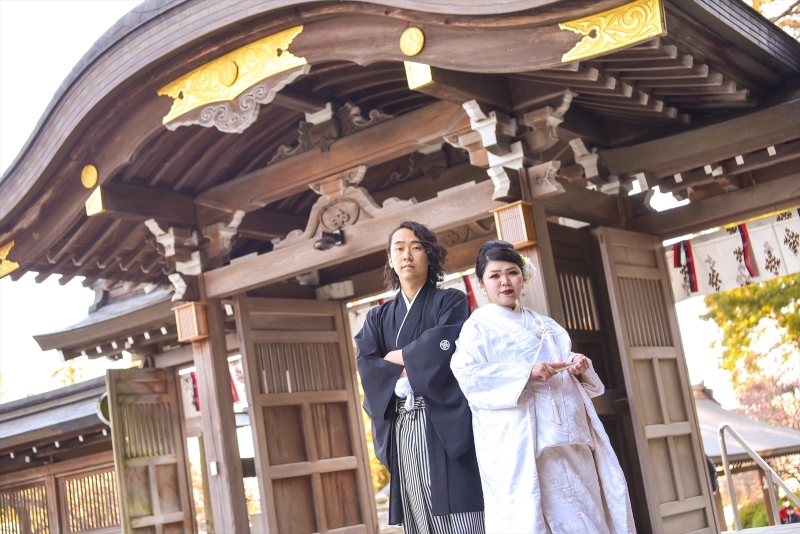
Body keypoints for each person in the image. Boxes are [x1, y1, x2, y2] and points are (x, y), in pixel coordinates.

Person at [450, 239, 635, 534]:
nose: (504, 282)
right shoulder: (477, 327)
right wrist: (526, 373)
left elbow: (562, 358)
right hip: (528, 441)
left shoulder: (544, 324)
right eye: (494, 275)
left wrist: (576, 364)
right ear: (482, 284)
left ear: (522, 277)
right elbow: (468, 375)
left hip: (569, 434)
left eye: (512, 272)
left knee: (588, 512)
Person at [355, 221, 485, 533]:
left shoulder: (451, 301)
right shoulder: (378, 317)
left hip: (444, 421)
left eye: (415, 246)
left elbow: (444, 347)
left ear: (429, 254)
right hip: (402, 424)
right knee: (419, 512)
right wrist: (418, 358)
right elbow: (367, 366)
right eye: (398, 248)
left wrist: (396, 358)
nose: (406, 254)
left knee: (460, 509)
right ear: (390, 259)